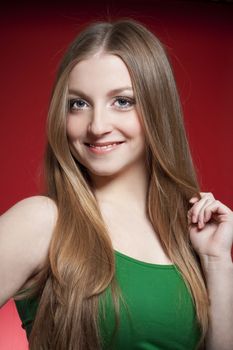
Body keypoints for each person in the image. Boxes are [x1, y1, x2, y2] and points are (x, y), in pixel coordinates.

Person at [0, 17, 232, 350]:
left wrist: (216, 261)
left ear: (157, 108)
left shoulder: (191, 234)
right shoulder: (43, 221)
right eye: (78, 104)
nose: (97, 125)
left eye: (122, 101)